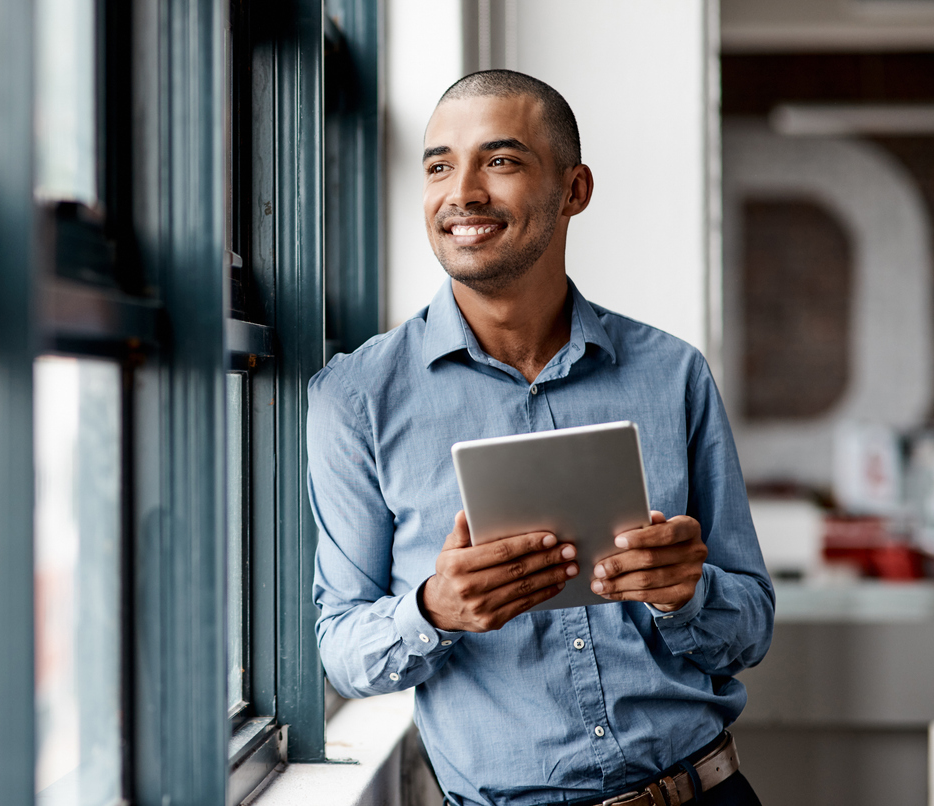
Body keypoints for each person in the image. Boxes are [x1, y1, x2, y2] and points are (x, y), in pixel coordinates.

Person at [307, 69, 774, 806]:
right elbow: (340, 651)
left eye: (499, 161)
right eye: (437, 165)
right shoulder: (356, 398)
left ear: (574, 190)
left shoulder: (672, 374)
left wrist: (686, 593)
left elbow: (749, 628)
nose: (460, 192)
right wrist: (432, 611)